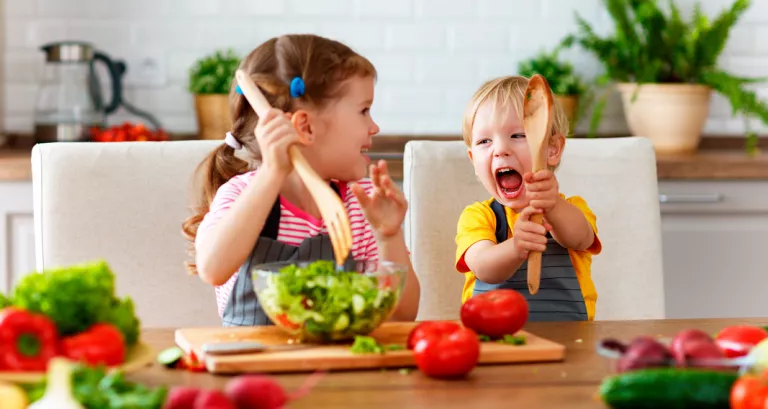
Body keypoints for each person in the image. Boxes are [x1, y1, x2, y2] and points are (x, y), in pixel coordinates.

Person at [182, 34, 420, 326]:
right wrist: (271, 173)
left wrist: (388, 235)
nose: (374, 127)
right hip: (255, 362)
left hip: (337, 365)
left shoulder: (362, 203)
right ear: (305, 126)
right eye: (364, 110)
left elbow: (403, 315)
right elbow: (212, 269)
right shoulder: (242, 194)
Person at [455, 76, 602, 321]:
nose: (500, 149)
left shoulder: (572, 208)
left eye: (518, 135)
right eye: (484, 141)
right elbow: (483, 267)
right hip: (494, 339)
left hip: (570, 338)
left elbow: (579, 238)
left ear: (552, 149)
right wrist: (516, 247)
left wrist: (552, 205)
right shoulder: (479, 216)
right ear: (473, 160)